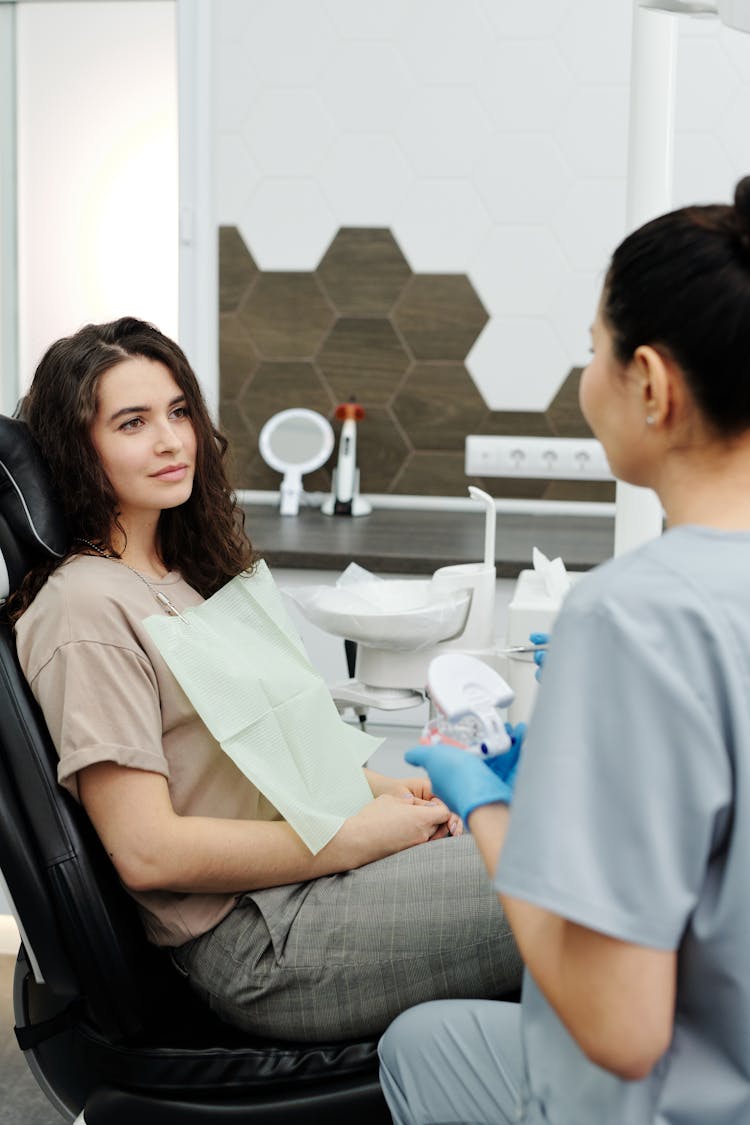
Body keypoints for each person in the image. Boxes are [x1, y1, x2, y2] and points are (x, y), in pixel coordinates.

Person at [8, 317, 522, 1043]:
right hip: (261, 938)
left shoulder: (180, 579)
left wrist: (394, 794)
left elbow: (267, 755)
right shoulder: (86, 605)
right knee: (564, 871)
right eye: (132, 422)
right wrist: (354, 838)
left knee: (553, 833)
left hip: (310, 885)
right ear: (76, 447)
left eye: (179, 411)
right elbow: (148, 850)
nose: (171, 440)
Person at [379, 175, 750, 1124]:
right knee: (425, 1043)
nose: (586, 375)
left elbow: (620, 1027)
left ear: (652, 384)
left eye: (593, 349)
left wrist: (494, 805)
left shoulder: (633, 617)